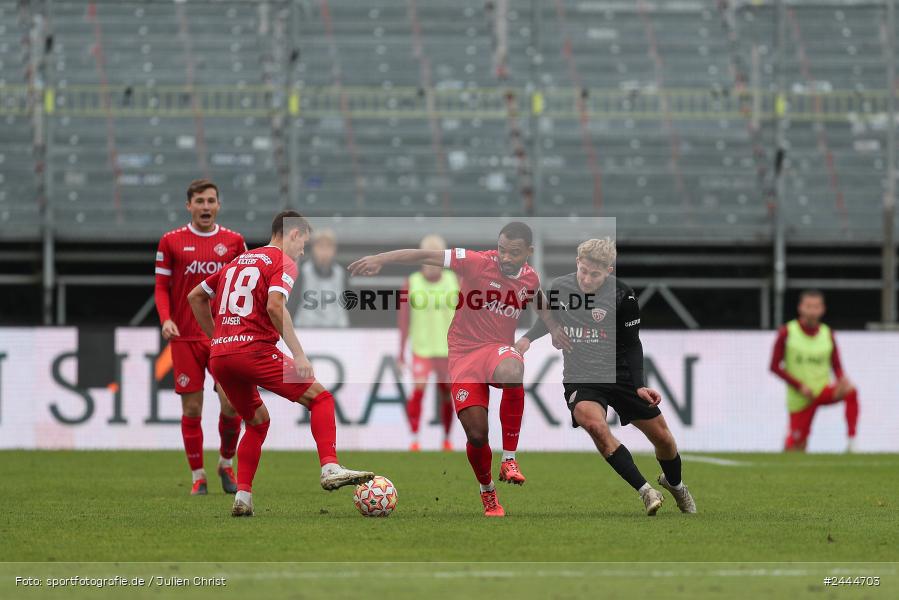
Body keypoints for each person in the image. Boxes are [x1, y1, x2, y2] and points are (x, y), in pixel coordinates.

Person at [350, 222, 567, 517]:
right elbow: (423, 255)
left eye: (513, 253)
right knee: (477, 435)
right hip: (464, 354)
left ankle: (510, 459)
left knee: (513, 368)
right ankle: (489, 493)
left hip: (496, 350)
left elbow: (538, 299)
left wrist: (552, 328)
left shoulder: (530, 278)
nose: (505, 257)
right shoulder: (476, 262)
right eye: (502, 249)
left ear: (529, 252)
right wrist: (381, 259)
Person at [187, 211, 373, 517]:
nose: (302, 252)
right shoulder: (282, 262)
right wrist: (299, 354)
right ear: (294, 234)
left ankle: (243, 498)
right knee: (321, 398)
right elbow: (275, 305)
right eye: (303, 245)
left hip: (221, 356)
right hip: (254, 350)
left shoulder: (238, 260)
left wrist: (218, 337)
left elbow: (196, 296)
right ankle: (329, 467)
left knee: (257, 422)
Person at [515, 238, 696, 516]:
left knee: (664, 440)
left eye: (595, 274)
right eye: (583, 271)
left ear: (609, 271)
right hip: (581, 376)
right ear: (577, 262)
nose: (586, 279)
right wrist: (529, 338)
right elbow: (549, 318)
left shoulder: (624, 297)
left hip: (620, 374)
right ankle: (646, 491)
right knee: (595, 425)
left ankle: (676, 485)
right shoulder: (561, 288)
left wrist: (639, 385)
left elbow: (633, 344)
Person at [154, 178, 246, 496]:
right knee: (192, 409)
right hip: (184, 337)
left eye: (211, 201)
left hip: (222, 335)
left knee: (232, 403)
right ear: (189, 205)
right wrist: (166, 319)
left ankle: (225, 462)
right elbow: (161, 287)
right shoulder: (171, 241)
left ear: (218, 205)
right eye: (200, 201)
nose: (205, 207)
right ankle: (198, 475)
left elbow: (243, 287)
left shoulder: (234, 242)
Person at [770, 289, 859, 452]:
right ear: (800, 308)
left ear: (823, 309)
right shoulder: (787, 332)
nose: (812, 311)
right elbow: (774, 366)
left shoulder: (827, 334)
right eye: (809, 306)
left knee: (850, 390)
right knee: (796, 447)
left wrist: (841, 379)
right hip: (801, 397)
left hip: (822, 390)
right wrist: (799, 386)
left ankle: (852, 442)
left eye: (816, 307)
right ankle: (791, 438)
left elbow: (836, 365)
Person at [398, 234, 459, 451]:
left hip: (447, 350)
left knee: (446, 393)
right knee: (419, 390)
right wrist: (401, 352)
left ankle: (446, 438)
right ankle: (414, 438)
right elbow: (404, 320)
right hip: (422, 348)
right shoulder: (412, 282)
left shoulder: (454, 280)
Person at [294, 228, 350, 328]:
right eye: (320, 247)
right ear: (313, 249)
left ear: (334, 250)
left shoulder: (341, 274)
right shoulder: (302, 272)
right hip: (306, 329)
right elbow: (293, 304)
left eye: (328, 247)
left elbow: (345, 307)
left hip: (336, 329)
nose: (324, 252)